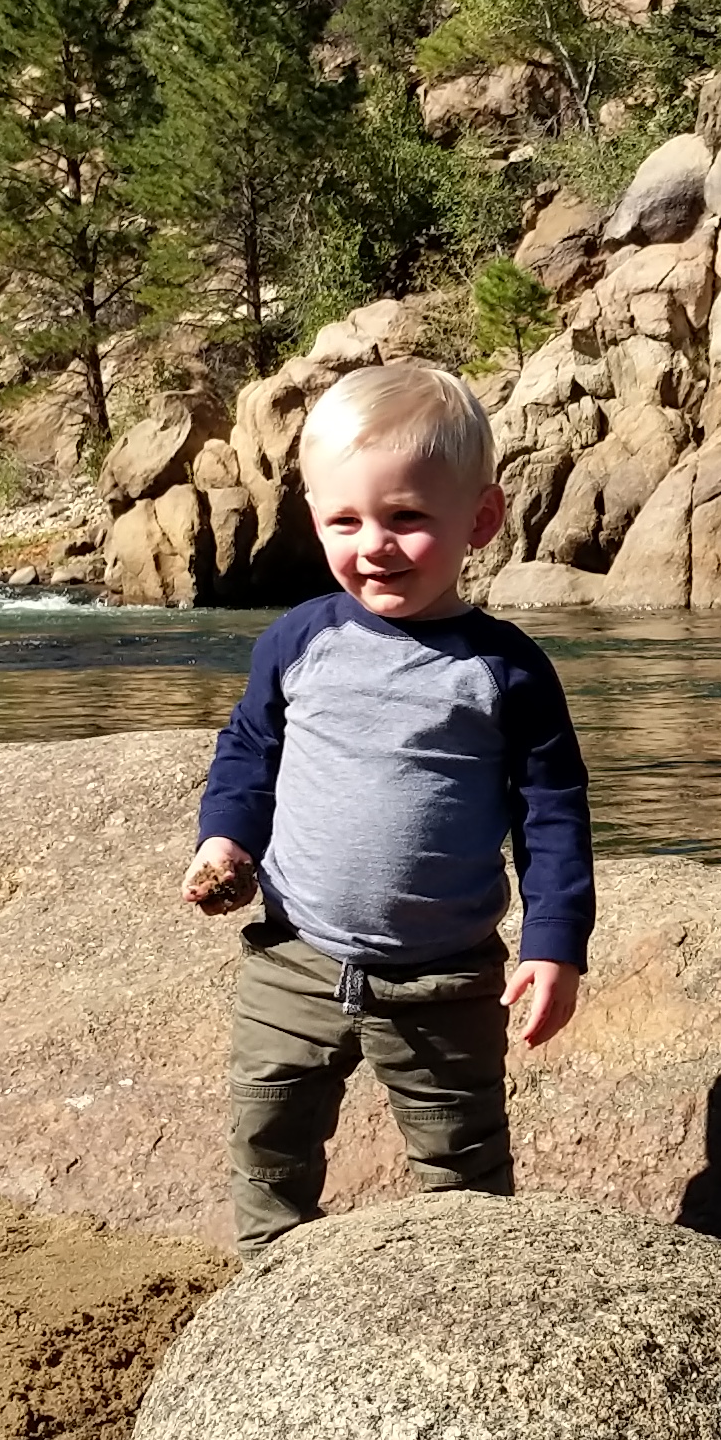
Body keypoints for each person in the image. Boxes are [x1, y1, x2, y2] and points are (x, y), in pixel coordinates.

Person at [181, 359, 592, 1250]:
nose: (375, 544)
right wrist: (223, 844)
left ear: (480, 519)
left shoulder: (507, 670)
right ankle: (269, 1282)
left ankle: (472, 1289)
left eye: (408, 518)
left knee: (465, 1165)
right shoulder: (300, 640)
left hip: (445, 976)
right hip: (294, 956)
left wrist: (555, 945)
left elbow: (552, 814)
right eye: (345, 520)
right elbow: (251, 754)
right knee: (268, 1141)